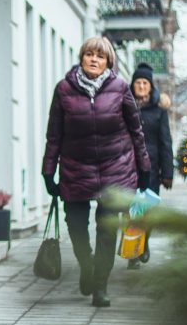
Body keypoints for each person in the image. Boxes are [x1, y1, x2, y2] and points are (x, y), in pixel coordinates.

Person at [42, 37, 151, 307]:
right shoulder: (64, 89)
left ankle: (100, 285)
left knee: (107, 229)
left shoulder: (120, 87)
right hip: (76, 169)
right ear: (81, 58)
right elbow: (54, 135)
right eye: (89, 54)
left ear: (108, 62)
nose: (94, 60)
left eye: (100, 56)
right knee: (77, 226)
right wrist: (48, 171)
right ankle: (86, 265)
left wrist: (144, 168)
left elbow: (136, 132)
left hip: (115, 169)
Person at [129, 62, 173, 269]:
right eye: (138, 82)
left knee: (148, 211)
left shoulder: (159, 110)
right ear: (133, 84)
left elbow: (166, 141)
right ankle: (132, 252)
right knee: (131, 211)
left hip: (152, 169)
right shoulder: (125, 105)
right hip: (128, 168)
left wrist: (168, 173)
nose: (141, 86)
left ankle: (143, 242)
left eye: (145, 82)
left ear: (150, 85)